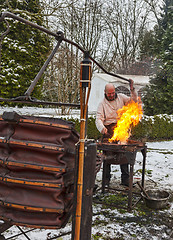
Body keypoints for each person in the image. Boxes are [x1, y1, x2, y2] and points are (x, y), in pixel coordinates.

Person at [95, 80, 137, 186]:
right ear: (105, 92)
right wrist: (102, 128)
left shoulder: (122, 97)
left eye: (113, 92)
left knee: (124, 154)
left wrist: (132, 89)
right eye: (109, 93)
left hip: (121, 129)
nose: (111, 95)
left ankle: (126, 179)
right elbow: (98, 119)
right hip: (108, 131)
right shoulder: (102, 104)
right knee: (106, 156)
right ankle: (106, 180)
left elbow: (134, 102)